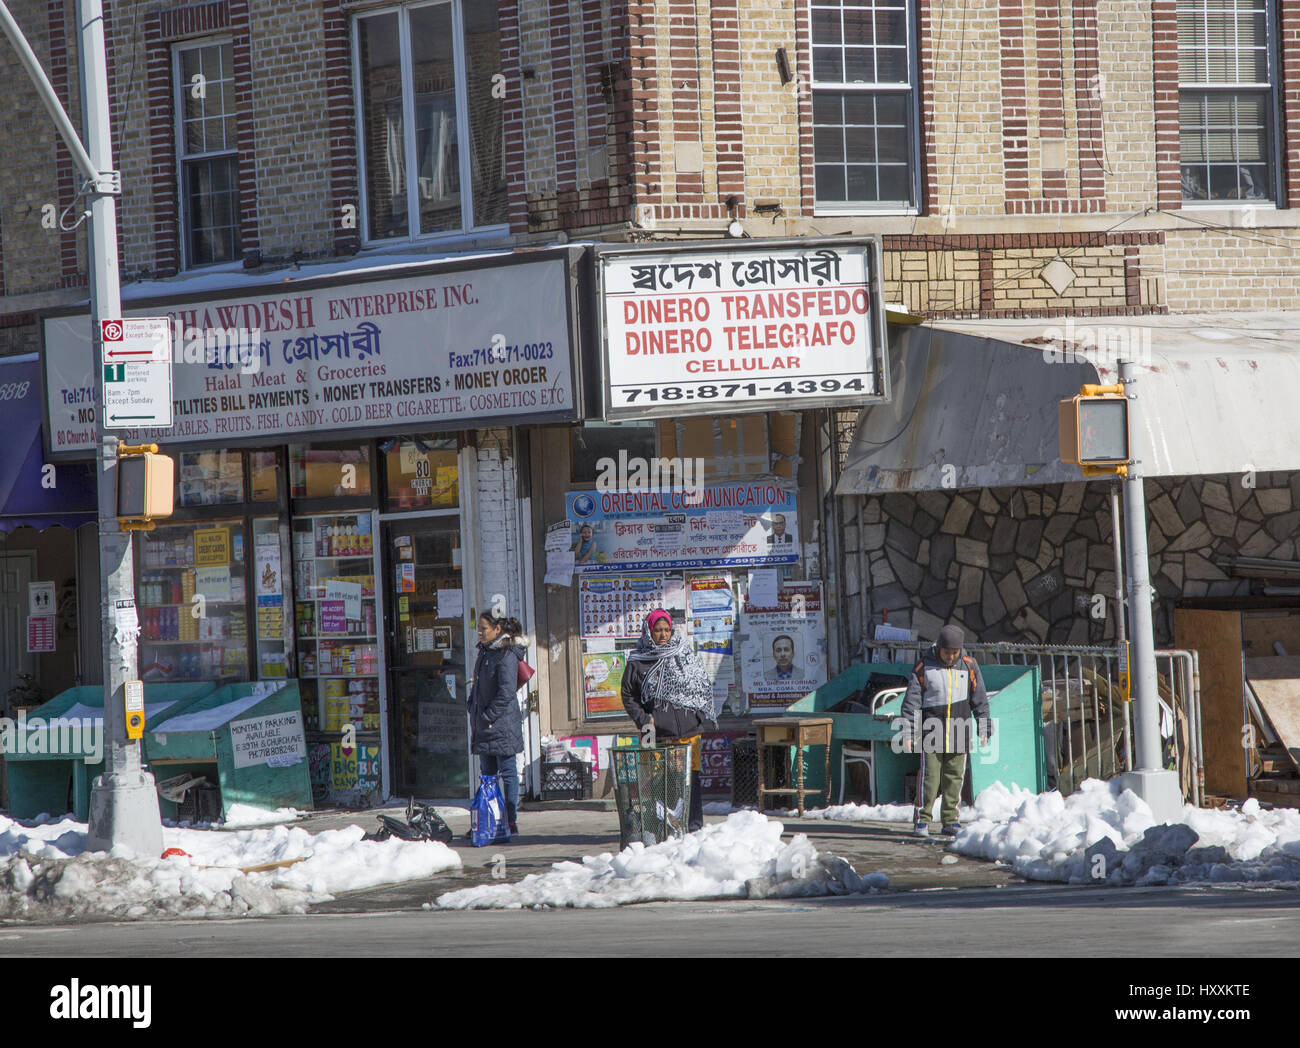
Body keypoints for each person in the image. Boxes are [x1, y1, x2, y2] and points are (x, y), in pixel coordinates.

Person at [621, 609, 716, 833]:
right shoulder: (637, 661)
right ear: (649, 631)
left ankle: (692, 826)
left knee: (689, 781)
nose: (663, 635)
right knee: (657, 784)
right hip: (654, 732)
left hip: (688, 732)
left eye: (666, 630)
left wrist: (697, 716)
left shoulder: (683, 654)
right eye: (657, 630)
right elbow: (628, 695)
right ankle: (661, 828)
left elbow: (702, 685)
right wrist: (646, 720)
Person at [899, 624, 992, 838]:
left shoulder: (969, 666)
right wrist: (908, 732)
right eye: (947, 652)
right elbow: (911, 702)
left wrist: (984, 726)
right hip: (931, 733)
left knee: (954, 778)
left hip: (960, 732)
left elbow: (979, 699)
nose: (951, 657)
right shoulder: (923, 667)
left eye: (955, 653)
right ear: (939, 647)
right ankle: (922, 820)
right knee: (929, 779)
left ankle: (950, 820)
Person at [468, 611, 526, 836]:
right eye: (479, 628)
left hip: (501, 725)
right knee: (487, 775)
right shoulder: (484, 652)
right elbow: (478, 684)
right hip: (484, 724)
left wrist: (487, 715)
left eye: (484, 628)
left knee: (508, 772)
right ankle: (488, 820)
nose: (480, 632)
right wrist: (472, 705)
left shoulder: (506, 654)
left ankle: (510, 821)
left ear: (497, 629)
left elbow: (506, 691)